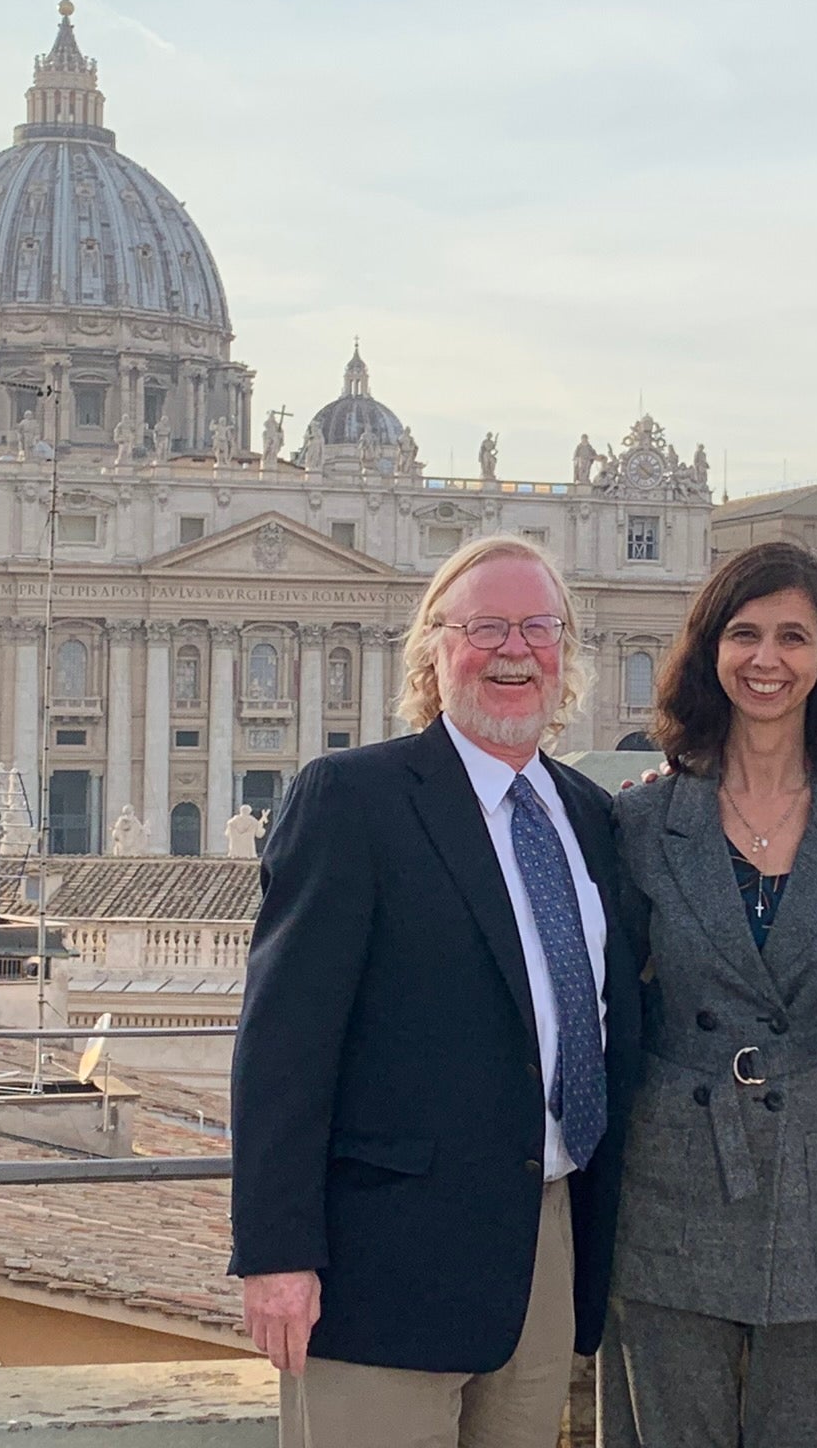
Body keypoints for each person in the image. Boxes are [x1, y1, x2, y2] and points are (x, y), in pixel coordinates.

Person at [229, 534, 640, 1448]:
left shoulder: (590, 816)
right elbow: (284, 1045)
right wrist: (277, 1254)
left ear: (566, 654)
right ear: (433, 650)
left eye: (540, 627)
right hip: (383, 1265)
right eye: (485, 626)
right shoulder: (352, 799)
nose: (514, 649)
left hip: (544, 1245)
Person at [601, 540, 817, 1448]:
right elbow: (605, 998)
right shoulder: (644, 818)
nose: (766, 660)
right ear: (709, 651)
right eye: (744, 634)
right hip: (673, 1173)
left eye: (791, 636)